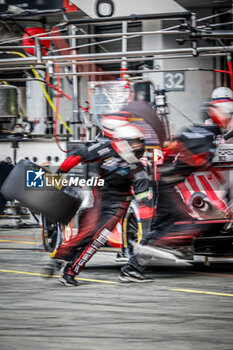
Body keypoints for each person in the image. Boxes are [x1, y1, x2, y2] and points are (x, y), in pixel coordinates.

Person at [51, 123, 152, 286]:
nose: (139, 147)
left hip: (118, 207)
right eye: (134, 143)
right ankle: (61, 256)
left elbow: (143, 197)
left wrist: (147, 209)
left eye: (140, 143)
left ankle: (69, 272)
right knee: (86, 233)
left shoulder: (139, 168)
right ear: (122, 142)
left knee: (97, 239)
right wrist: (60, 173)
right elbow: (78, 155)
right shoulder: (105, 148)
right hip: (100, 199)